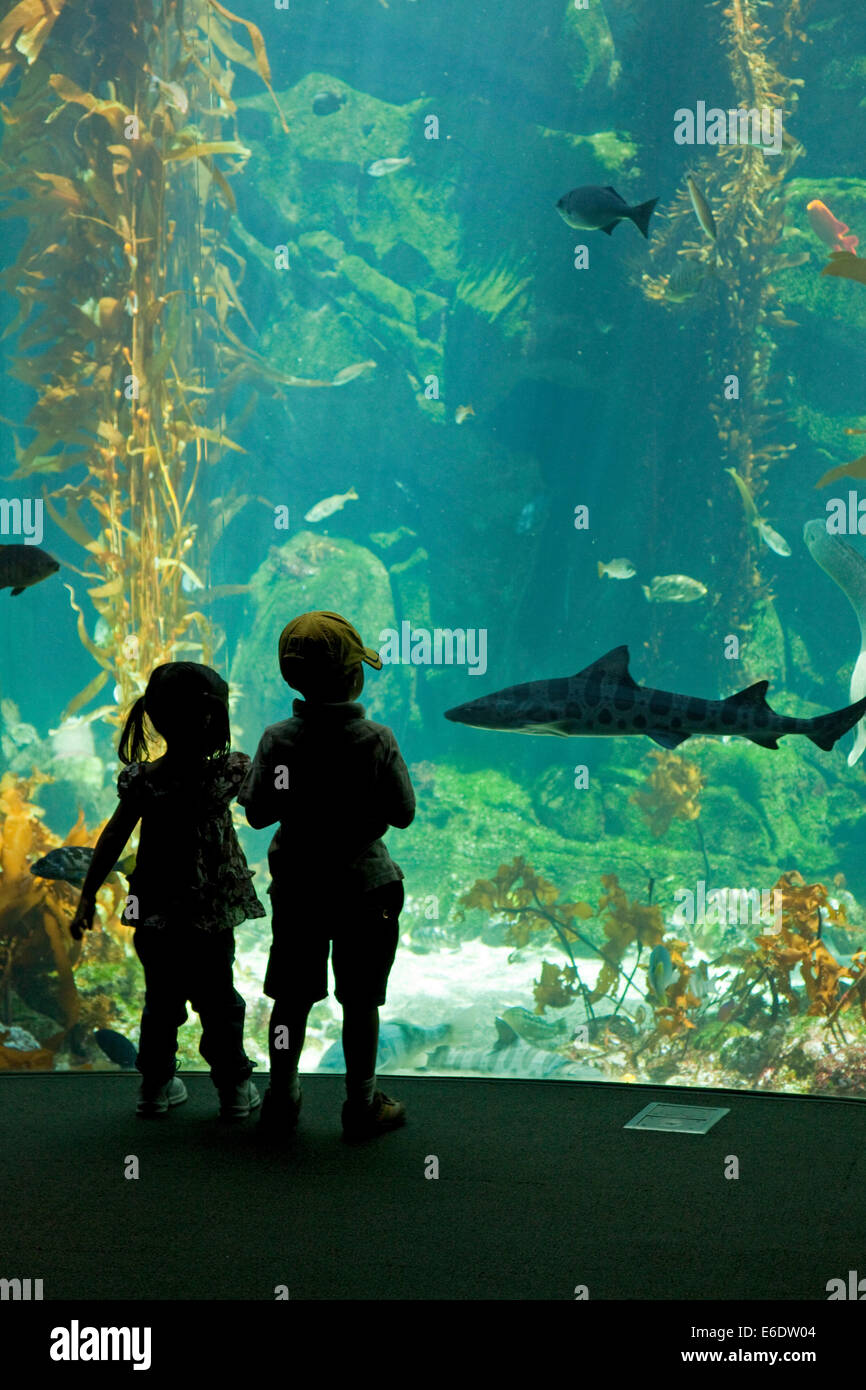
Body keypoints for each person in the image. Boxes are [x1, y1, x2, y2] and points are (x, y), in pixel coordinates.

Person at [238, 611, 415, 1141]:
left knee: (290, 1001)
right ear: (355, 677)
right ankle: (361, 1105)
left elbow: (257, 813)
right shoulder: (376, 739)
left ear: (290, 676)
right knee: (360, 1002)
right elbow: (403, 814)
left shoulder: (277, 740)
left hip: (298, 891)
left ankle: (283, 1097)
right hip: (366, 889)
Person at [69, 662, 266, 1120]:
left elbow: (113, 837)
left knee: (160, 999)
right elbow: (266, 807)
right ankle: (234, 1086)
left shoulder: (144, 781)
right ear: (215, 718)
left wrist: (87, 897)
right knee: (219, 997)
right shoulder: (228, 774)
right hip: (212, 913)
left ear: (152, 716)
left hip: (155, 910)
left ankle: (155, 1086)